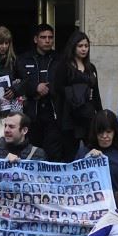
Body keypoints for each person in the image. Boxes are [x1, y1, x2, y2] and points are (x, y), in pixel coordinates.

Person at [50, 31, 102, 162]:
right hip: (69, 117)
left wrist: (100, 114)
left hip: (88, 115)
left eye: (86, 46)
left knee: (93, 152)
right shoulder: (64, 66)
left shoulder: (91, 68)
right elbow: (57, 89)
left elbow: (96, 93)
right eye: (80, 46)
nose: (84, 49)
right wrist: (76, 92)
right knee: (69, 154)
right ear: (73, 46)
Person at [15, 23, 59, 159]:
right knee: (31, 155)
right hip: (31, 115)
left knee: (53, 155)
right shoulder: (23, 59)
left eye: (50, 37)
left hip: (53, 115)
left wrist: (49, 88)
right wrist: (35, 88)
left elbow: (64, 83)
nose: (47, 40)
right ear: (35, 39)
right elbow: (17, 84)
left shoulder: (60, 59)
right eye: (43, 37)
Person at [77, 109, 118, 192]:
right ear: (95, 132)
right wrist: (85, 161)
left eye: (108, 132)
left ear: (115, 132)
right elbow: (75, 183)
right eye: (100, 132)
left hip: (115, 203)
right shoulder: (83, 152)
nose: (104, 136)